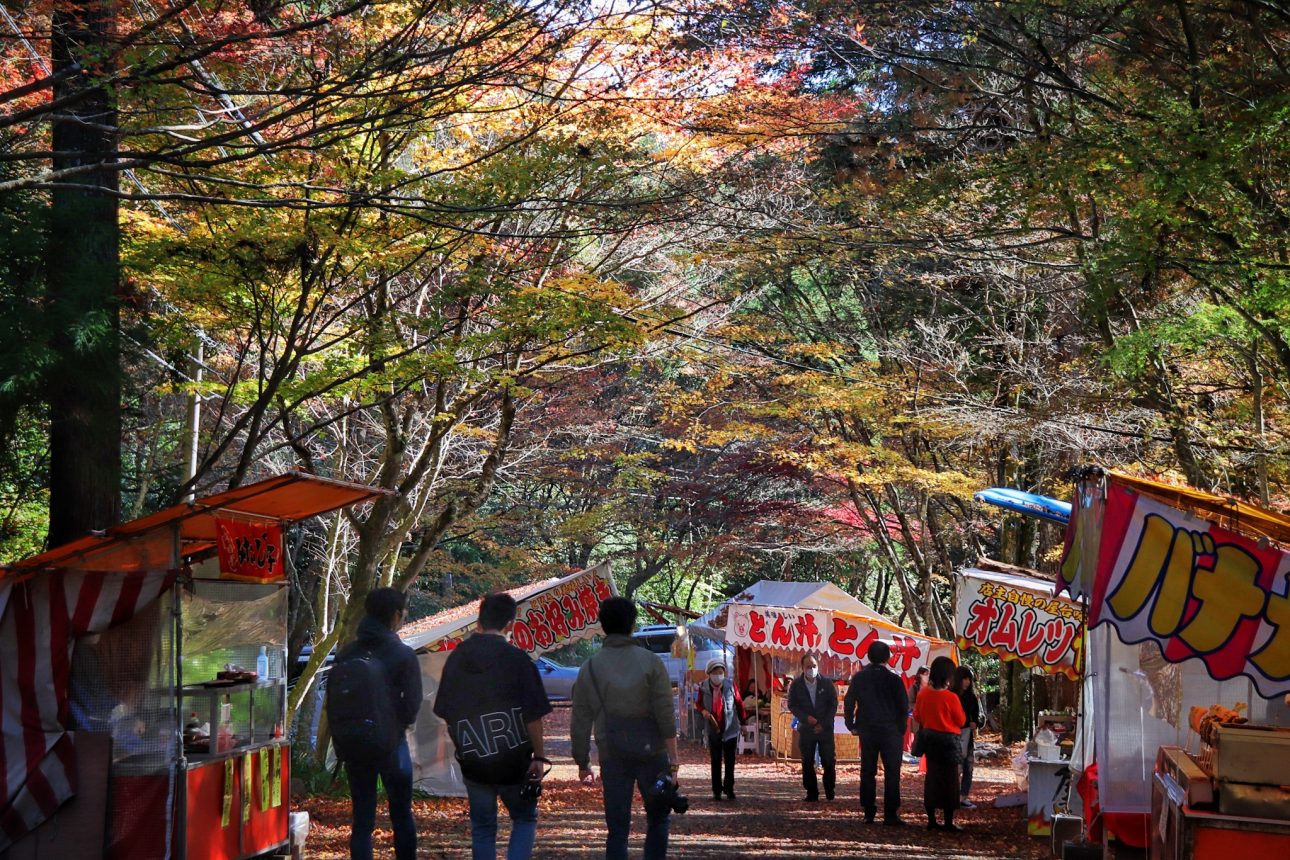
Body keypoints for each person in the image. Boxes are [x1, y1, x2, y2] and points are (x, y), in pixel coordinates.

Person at [433, 593, 553, 860]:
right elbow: (533, 715)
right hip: (514, 759)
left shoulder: (456, 659)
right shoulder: (518, 660)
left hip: (474, 759)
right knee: (524, 818)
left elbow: (444, 711)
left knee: (483, 828)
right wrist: (540, 756)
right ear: (510, 624)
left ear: (478, 620)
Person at [572, 597, 679, 860]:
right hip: (651, 752)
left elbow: (580, 720)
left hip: (612, 753)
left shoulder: (590, 667)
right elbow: (665, 713)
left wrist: (582, 761)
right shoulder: (651, 662)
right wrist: (673, 759)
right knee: (658, 819)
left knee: (617, 829)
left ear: (603, 625)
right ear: (632, 625)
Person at [341, 587, 422, 860]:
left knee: (362, 820)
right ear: (396, 615)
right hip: (392, 745)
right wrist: (396, 726)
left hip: (354, 743)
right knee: (401, 815)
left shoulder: (347, 653)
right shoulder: (403, 655)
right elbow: (412, 704)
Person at [844, 641, 909, 825]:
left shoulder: (859, 678)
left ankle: (869, 812)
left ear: (869, 656)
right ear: (888, 658)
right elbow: (903, 707)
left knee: (867, 771)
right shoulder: (894, 679)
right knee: (892, 772)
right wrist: (900, 729)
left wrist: (851, 724)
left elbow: (849, 702)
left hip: (868, 729)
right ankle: (890, 814)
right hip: (891, 731)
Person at [912, 656, 967, 831]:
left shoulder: (923, 694)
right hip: (949, 742)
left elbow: (917, 716)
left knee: (933, 778)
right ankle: (949, 822)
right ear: (948, 676)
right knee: (950, 780)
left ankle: (931, 820)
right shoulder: (951, 698)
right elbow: (961, 720)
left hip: (930, 740)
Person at [694, 658, 747, 801]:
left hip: (730, 728)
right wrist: (703, 711)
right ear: (709, 674)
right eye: (715, 672)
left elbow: (739, 703)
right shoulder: (703, 687)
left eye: (721, 672)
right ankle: (716, 790)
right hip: (713, 729)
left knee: (730, 760)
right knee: (715, 760)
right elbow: (698, 703)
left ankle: (729, 788)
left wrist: (743, 723)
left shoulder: (730, 685)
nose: (718, 675)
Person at [787, 653, 837, 802]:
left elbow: (833, 704)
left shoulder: (827, 684)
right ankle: (811, 791)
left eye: (814, 666)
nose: (811, 669)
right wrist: (806, 718)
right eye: (808, 667)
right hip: (806, 728)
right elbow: (792, 704)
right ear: (802, 668)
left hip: (825, 729)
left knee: (828, 760)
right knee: (807, 761)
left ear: (818, 666)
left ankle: (829, 789)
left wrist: (823, 723)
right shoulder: (796, 685)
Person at [954, 665, 981, 810]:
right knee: (956, 769)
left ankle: (963, 796)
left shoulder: (971, 697)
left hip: (968, 737)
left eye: (969, 679)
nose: (967, 682)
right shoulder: (952, 696)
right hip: (954, 737)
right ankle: (954, 796)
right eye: (964, 679)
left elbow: (978, 718)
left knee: (968, 768)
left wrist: (975, 723)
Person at [904, 666, 929, 761]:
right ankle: (918, 756)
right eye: (925, 674)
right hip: (918, 717)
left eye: (928, 674)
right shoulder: (914, 688)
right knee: (918, 736)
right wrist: (918, 707)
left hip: (930, 717)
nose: (927, 676)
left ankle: (925, 758)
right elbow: (909, 702)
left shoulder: (932, 687)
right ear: (920, 675)